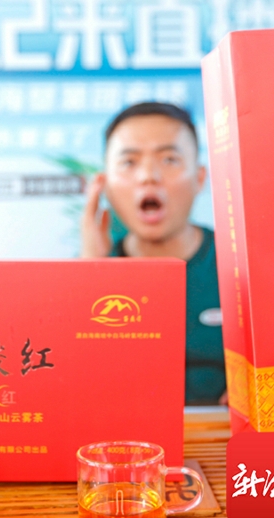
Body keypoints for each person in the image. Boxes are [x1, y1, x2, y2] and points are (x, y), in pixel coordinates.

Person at [81, 102, 225, 405]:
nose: (149, 176)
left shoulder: (240, 267)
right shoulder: (89, 272)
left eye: (169, 159)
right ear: (104, 184)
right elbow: (76, 386)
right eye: (129, 162)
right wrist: (90, 273)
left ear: (199, 178)